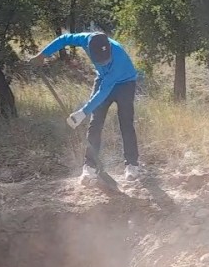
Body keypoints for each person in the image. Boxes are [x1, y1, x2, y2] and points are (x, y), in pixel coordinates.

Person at [30, 31, 142, 182]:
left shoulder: (119, 56)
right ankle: (90, 166)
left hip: (124, 83)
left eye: (106, 60)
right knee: (95, 123)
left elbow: (104, 91)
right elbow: (64, 39)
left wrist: (83, 112)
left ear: (109, 46)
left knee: (126, 123)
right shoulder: (84, 40)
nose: (105, 63)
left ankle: (132, 165)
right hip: (103, 79)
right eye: (101, 61)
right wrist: (43, 54)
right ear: (89, 49)